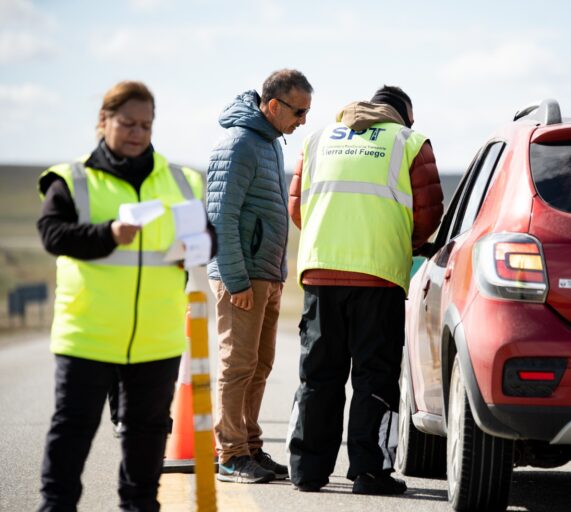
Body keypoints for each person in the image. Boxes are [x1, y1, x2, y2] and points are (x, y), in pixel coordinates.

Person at [36, 80, 214, 512]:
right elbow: (52, 234)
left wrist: (195, 250)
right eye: (128, 123)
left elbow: (210, 239)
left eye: (146, 125)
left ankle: (139, 507)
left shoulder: (182, 180)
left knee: (148, 432)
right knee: (73, 429)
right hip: (88, 332)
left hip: (157, 336)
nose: (137, 133)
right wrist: (108, 235)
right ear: (104, 121)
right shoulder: (73, 179)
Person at [286, 85, 443, 495]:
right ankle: (370, 472)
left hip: (321, 273)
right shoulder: (410, 142)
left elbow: (298, 206)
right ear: (405, 116)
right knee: (375, 375)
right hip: (378, 277)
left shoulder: (318, 139)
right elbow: (428, 215)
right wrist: (397, 243)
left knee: (318, 374)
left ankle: (307, 469)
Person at [207, 69, 313, 484]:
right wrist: (237, 281)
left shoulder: (268, 144)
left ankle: (249, 445)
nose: (302, 120)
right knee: (238, 365)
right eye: (299, 111)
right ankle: (231, 453)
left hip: (265, 276)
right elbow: (221, 218)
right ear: (273, 105)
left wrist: (277, 273)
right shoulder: (237, 145)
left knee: (260, 364)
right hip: (243, 279)